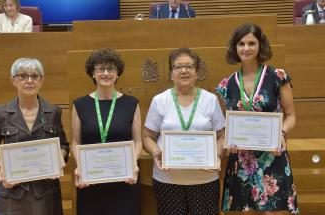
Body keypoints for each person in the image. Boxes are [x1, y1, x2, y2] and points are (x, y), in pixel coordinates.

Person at [216, 23, 299, 214]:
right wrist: (230, 140)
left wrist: (282, 132)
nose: (246, 48)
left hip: (272, 154)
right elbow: (229, 122)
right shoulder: (227, 84)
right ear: (234, 48)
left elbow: (291, 116)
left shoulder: (278, 76)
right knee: (246, 211)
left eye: (251, 43)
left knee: (274, 211)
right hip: (243, 158)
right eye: (241, 43)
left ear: (260, 45)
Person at [0, 58, 69, 215]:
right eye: (23, 76)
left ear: (42, 80)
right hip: (12, 192)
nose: (29, 81)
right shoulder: (1, 113)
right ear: (13, 80)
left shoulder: (53, 112)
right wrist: (4, 168)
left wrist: (60, 157)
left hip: (45, 193)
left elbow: (64, 146)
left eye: (35, 76)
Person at [143, 47, 225, 215]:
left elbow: (222, 136)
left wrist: (217, 156)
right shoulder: (160, 101)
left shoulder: (210, 100)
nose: (184, 71)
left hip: (205, 180)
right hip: (167, 180)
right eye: (178, 66)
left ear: (197, 72)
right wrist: (155, 151)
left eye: (189, 66)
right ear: (171, 73)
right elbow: (147, 137)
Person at [71, 48, 142, 215]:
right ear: (92, 74)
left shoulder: (131, 103)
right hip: (91, 179)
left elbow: (137, 141)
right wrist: (81, 165)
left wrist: (132, 164)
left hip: (124, 179)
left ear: (118, 74)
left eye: (111, 69)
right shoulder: (80, 105)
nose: (106, 73)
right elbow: (75, 142)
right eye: (100, 69)